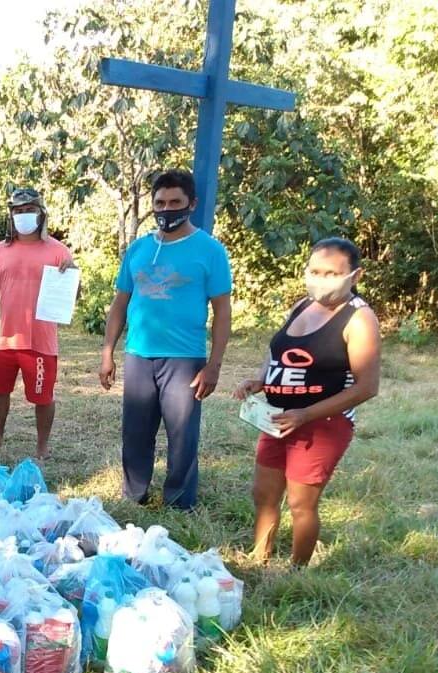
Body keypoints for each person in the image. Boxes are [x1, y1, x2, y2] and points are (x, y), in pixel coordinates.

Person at [233, 237, 380, 565]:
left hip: (322, 424)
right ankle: (260, 555)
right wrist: (260, 380)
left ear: (355, 276)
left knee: (301, 503)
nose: (321, 280)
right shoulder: (301, 305)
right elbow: (277, 353)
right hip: (277, 417)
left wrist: (306, 414)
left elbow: (367, 387)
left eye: (331, 273)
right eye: (315, 271)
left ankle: (297, 570)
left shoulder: (359, 319)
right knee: (263, 493)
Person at [99, 169, 232, 510]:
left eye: (176, 202)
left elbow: (222, 312)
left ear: (192, 204)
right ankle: (134, 495)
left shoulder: (210, 251)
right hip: (139, 355)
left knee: (182, 436)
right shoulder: (139, 249)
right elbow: (120, 303)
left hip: (185, 358)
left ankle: (179, 502)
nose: (167, 209)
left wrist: (214, 365)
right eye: (160, 202)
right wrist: (107, 352)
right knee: (136, 433)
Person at [0, 187, 75, 460]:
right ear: (11, 216)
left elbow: (72, 294)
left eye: (29, 210)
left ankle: (42, 449)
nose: (23, 215)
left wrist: (72, 276)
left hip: (40, 340)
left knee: (43, 397)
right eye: (18, 211)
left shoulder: (59, 251)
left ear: (41, 213)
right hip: (3, 338)